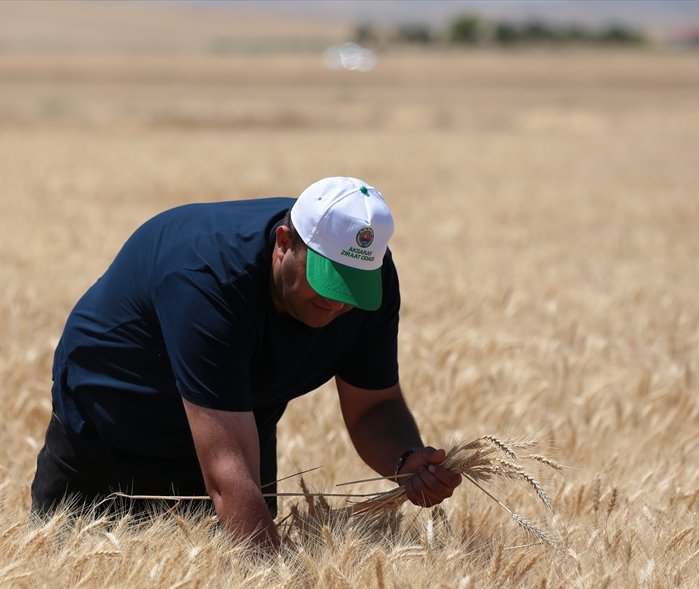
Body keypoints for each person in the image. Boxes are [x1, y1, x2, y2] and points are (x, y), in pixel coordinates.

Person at [31, 176, 461, 551]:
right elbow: (226, 472)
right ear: (283, 243)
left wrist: (404, 461)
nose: (337, 302)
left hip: (236, 429)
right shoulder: (206, 277)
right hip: (108, 434)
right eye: (327, 279)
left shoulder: (370, 282)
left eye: (354, 288)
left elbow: (374, 405)